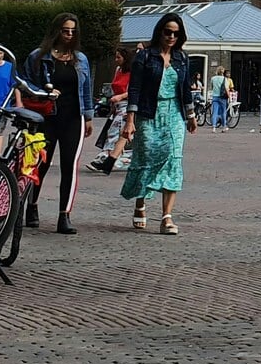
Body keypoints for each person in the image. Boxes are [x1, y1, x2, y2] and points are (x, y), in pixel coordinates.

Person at [121, 14, 197, 235]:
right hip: (149, 113)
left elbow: (185, 89)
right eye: (167, 32)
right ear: (159, 32)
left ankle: (166, 218)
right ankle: (140, 203)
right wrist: (130, 120)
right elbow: (135, 88)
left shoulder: (182, 58)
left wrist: (191, 116)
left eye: (176, 33)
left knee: (174, 159)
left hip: (174, 114)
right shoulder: (144, 56)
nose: (171, 36)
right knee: (146, 159)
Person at [22, 12, 95, 235]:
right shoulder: (38, 56)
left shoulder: (80, 59)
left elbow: (86, 88)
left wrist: (89, 116)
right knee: (40, 164)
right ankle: (32, 205)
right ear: (56, 31)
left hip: (74, 116)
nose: (69, 35)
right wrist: (43, 90)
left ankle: (64, 215)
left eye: (73, 31)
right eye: (65, 30)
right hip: (47, 116)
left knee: (69, 166)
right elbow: (25, 83)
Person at [89, 47, 133, 174]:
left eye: (119, 57)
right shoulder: (118, 70)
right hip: (117, 105)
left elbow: (132, 91)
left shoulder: (133, 73)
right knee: (115, 132)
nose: (116, 60)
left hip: (127, 104)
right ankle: (115, 157)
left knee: (116, 131)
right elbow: (114, 86)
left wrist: (120, 96)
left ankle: (106, 157)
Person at [207, 68, 232, 132]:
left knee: (214, 112)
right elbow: (226, 89)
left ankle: (214, 127)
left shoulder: (213, 78)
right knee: (223, 112)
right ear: (223, 72)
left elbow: (212, 87)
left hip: (215, 96)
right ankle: (224, 127)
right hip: (222, 97)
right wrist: (229, 97)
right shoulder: (225, 79)